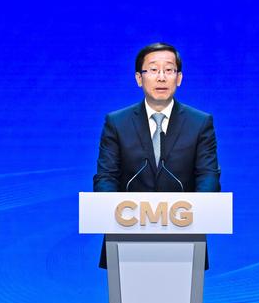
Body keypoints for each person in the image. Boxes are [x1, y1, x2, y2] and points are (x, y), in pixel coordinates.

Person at [94, 42, 220, 268]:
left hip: (185, 238)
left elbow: (208, 176)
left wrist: (199, 210)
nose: (161, 77)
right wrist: (111, 210)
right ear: (139, 78)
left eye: (169, 70)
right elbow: (106, 177)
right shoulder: (117, 123)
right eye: (153, 69)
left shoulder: (200, 123)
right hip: (125, 239)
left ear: (179, 78)